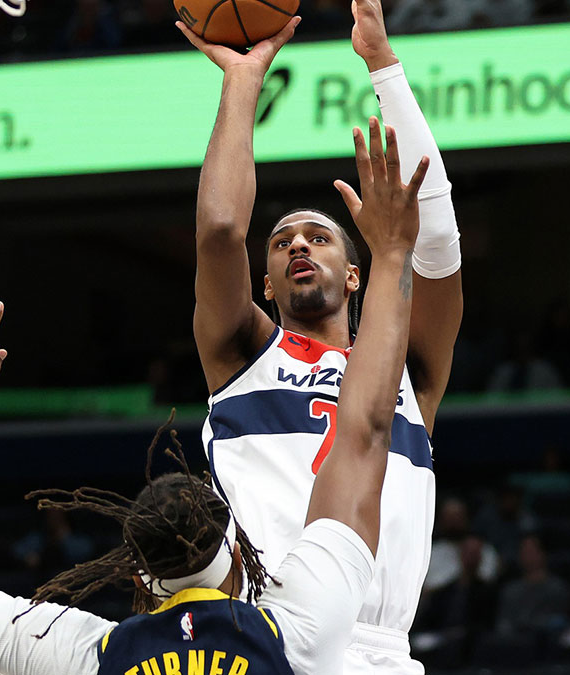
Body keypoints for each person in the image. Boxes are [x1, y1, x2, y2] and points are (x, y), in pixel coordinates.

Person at [0, 113, 429, 675]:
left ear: (140, 577)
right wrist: (396, 253)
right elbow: (361, 433)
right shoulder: (296, 634)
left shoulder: (97, 658)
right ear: (240, 558)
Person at [177, 0, 463, 670]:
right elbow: (220, 232)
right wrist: (242, 82)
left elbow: (439, 248)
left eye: (318, 236)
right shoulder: (243, 353)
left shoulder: (408, 371)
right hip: (271, 632)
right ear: (267, 284)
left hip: (385, 649)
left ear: (358, 273)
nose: (298, 243)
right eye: (280, 242)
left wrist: (385, 69)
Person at [496, 534, 570, 636]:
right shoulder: (510, 591)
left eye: (531, 551)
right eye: (524, 551)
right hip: (515, 644)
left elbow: (560, 623)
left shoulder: (557, 588)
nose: (527, 556)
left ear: (542, 554)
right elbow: (503, 624)